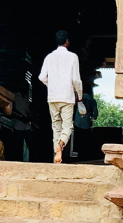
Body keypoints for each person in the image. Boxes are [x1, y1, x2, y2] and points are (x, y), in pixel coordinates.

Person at [38, 30, 82, 163]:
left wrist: (51, 85)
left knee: (56, 126)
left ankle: (57, 155)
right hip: (67, 96)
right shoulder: (73, 57)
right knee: (67, 126)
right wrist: (79, 96)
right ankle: (61, 144)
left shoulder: (49, 57)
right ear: (67, 41)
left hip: (52, 96)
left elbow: (41, 77)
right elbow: (76, 79)